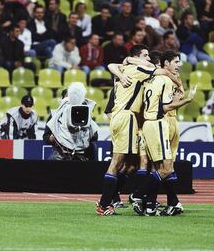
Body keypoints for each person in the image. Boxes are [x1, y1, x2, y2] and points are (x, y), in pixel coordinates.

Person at [96, 44, 183, 216]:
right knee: (119, 161)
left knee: (128, 163)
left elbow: (112, 65)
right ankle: (106, 202)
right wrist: (180, 84)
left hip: (120, 117)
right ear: (137, 57)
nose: (149, 59)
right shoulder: (137, 69)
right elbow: (163, 72)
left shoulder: (124, 68)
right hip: (127, 116)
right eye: (145, 55)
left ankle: (114, 200)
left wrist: (124, 64)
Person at [131, 51, 197, 216]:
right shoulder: (164, 80)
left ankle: (159, 204)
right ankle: (141, 197)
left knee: (165, 167)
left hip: (163, 122)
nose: (179, 65)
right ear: (163, 63)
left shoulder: (151, 79)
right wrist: (186, 99)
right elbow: (166, 106)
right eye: (175, 61)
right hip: (161, 122)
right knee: (164, 168)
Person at [46, 82, 99, 161]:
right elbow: (45, 136)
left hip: (81, 152)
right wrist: (52, 138)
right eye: (66, 98)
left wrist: (90, 135)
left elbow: (95, 136)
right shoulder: (55, 115)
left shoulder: (85, 112)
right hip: (60, 152)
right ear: (62, 100)